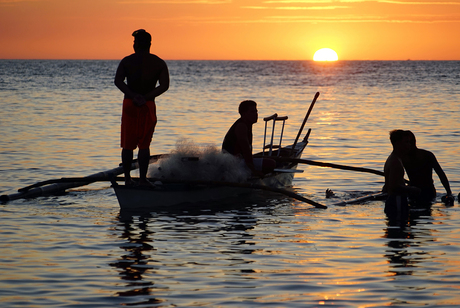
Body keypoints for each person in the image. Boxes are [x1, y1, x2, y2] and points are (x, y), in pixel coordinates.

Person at [114, 29, 170, 186]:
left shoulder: (127, 61)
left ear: (137, 44)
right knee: (144, 145)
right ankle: (143, 179)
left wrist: (133, 95)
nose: (133, 45)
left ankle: (127, 179)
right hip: (147, 105)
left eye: (134, 42)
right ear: (150, 44)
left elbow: (118, 81)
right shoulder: (158, 62)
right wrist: (145, 97)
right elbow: (164, 86)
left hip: (130, 104)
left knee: (127, 145)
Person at [222, 100, 276, 176]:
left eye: (256, 111)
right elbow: (246, 151)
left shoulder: (247, 125)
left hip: (238, 159)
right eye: (252, 112)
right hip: (233, 163)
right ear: (244, 114)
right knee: (271, 163)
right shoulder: (241, 126)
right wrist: (254, 171)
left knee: (267, 159)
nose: (256, 114)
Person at [402, 130, 453, 205]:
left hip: (427, 192)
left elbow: (441, 174)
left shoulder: (426, 156)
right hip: (415, 191)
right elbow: (441, 174)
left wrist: (449, 192)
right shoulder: (403, 157)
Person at [383, 130, 420, 221]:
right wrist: (411, 189)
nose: (409, 145)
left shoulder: (395, 159)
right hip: (396, 201)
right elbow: (394, 186)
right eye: (406, 142)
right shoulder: (395, 162)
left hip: (394, 200)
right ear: (397, 143)